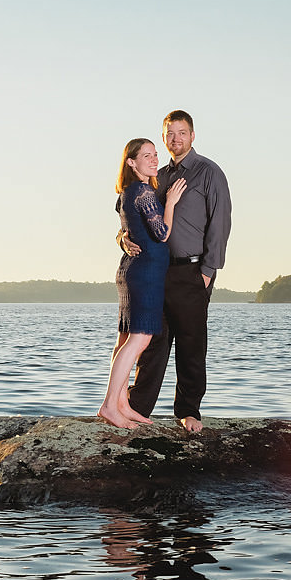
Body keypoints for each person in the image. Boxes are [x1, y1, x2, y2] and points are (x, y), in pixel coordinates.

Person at [119, 110, 232, 432]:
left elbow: (220, 223)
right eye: (170, 134)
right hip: (155, 273)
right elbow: (137, 217)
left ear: (192, 135)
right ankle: (136, 407)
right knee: (152, 343)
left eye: (182, 133)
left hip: (192, 272)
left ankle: (189, 411)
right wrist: (121, 238)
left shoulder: (209, 173)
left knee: (191, 343)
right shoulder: (156, 174)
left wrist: (208, 270)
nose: (175, 139)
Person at [98, 138, 186, 430]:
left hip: (131, 270)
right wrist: (170, 203)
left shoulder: (127, 191)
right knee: (141, 338)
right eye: (145, 155)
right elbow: (161, 233)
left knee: (125, 338)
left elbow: (127, 226)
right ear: (131, 162)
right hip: (145, 272)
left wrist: (123, 238)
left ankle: (122, 403)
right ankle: (111, 405)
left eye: (154, 154)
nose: (153, 159)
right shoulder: (144, 191)